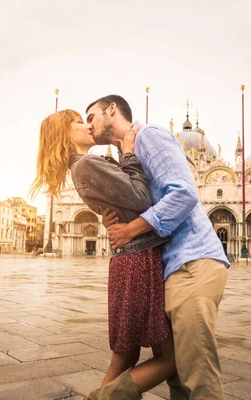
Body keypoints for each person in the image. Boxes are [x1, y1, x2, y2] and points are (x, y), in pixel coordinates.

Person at [86, 95, 230, 399]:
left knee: (198, 373)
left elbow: (183, 194)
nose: (88, 126)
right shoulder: (126, 153)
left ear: (112, 109)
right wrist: (113, 220)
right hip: (167, 268)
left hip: (192, 260)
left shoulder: (148, 136)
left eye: (91, 117)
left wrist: (129, 230)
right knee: (177, 372)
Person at [30, 109, 177, 399]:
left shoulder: (85, 165)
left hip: (132, 259)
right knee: (169, 359)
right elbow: (141, 197)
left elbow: (122, 201)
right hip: (138, 261)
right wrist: (129, 154)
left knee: (125, 356)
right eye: (78, 122)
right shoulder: (86, 164)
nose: (87, 126)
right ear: (64, 136)